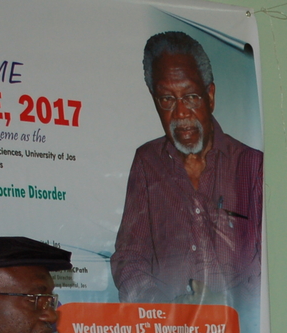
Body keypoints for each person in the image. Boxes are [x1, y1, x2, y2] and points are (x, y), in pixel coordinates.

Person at [111, 30, 263, 307]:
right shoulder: (147, 162)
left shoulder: (252, 165)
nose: (180, 113)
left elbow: (271, 263)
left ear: (210, 96)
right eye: (167, 99)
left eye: (190, 96)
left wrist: (228, 304)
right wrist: (162, 309)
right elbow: (129, 257)